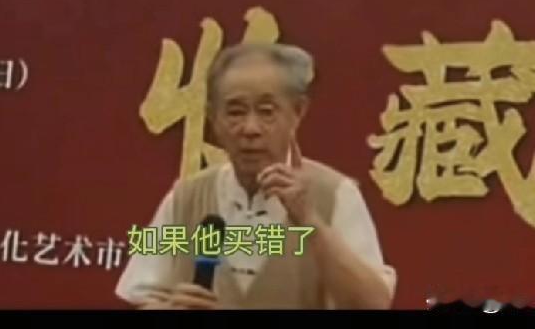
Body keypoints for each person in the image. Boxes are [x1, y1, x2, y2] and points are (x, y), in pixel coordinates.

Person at [116, 42, 397, 309]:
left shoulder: (335, 194)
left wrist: (310, 221)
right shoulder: (185, 197)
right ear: (213, 118)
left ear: (297, 112)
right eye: (235, 112)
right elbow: (141, 297)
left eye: (266, 112)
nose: (250, 129)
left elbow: (374, 303)